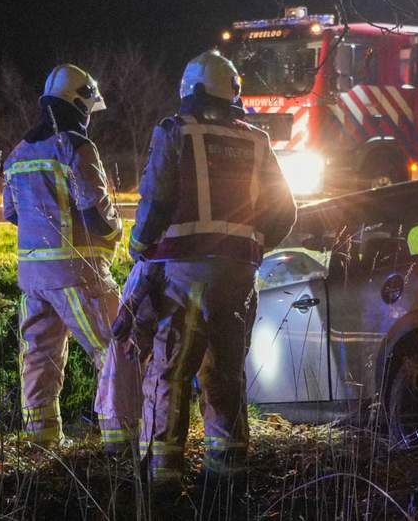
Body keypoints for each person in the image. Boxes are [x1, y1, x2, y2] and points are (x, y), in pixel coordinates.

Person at [124, 51, 296, 486]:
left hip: (183, 274)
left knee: (172, 371)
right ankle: (228, 470)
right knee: (226, 371)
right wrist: (253, 247)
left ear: (191, 90)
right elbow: (286, 212)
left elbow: (156, 199)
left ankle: (163, 477)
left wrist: (138, 245)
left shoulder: (174, 130)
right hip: (239, 275)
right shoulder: (257, 140)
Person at [2, 64, 140, 450]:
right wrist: (118, 232)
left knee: (40, 356)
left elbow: (12, 213)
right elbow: (95, 212)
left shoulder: (19, 152)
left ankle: (41, 440)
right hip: (79, 273)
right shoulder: (77, 147)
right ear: (79, 104)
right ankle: (123, 438)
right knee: (117, 348)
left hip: (32, 278)